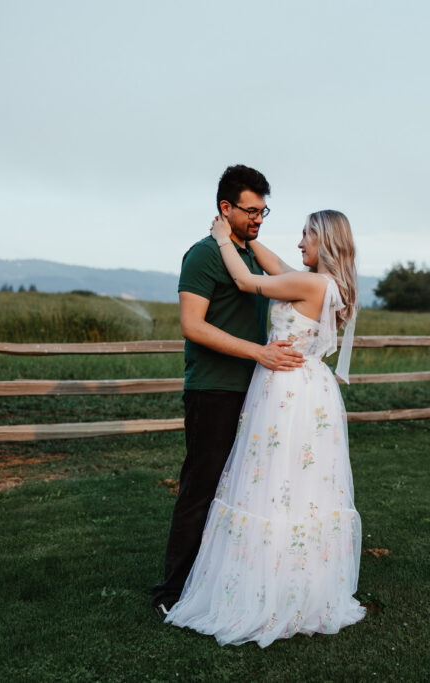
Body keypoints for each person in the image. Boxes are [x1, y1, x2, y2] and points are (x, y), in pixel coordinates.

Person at [165, 209, 364, 647]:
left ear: (325, 241)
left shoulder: (311, 284)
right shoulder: (326, 284)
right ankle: (297, 585)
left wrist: (223, 237)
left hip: (287, 391)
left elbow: (245, 281)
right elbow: (276, 265)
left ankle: (267, 590)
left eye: (307, 235)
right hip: (310, 388)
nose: (300, 242)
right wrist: (247, 232)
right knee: (300, 487)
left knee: (272, 483)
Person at [152, 165, 305, 617]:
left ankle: (216, 582)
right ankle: (171, 593)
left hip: (257, 392)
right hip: (214, 389)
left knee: (240, 489)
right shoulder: (203, 255)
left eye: (263, 211)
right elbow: (192, 325)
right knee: (201, 487)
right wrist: (259, 352)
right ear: (225, 207)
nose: (258, 218)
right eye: (250, 211)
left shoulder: (251, 255)